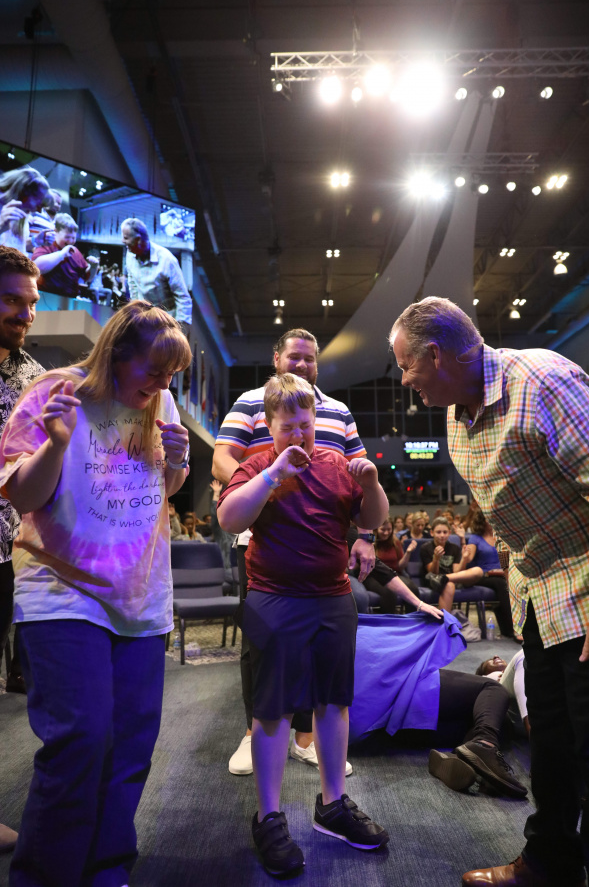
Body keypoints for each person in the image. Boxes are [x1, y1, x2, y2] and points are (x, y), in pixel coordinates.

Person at [391, 295, 589, 887]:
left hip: (585, 590)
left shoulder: (543, 382)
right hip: (537, 597)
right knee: (549, 740)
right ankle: (549, 865)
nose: (404, 381)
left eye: (406, 365)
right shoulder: (455, 418)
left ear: (436, 354)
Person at [0, 299, 191, 887]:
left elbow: (162, 488)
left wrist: (178, 463)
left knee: (131, 745)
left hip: (141, 595)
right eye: (153, 371)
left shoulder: (159, 401)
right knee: (80, 737)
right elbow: (22, 497)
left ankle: (107, 869)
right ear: (116, 353)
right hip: (61, 590)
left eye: (171, 375)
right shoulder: (55, 391)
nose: (162, 385)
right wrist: (56, 445)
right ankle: (45, 877)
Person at [217, 373, 390, 875]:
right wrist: (274, 472)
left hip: (332, 599)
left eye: (305, 426)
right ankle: (269, 816)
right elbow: (230, 519)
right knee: (272, 710)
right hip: (274, 599)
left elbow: (372, 519)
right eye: (287, 427)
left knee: (333, 703)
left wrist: (371, 484)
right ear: (269, 426)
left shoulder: (335, 464)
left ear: (316, 421)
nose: (298, 435)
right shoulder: (256, 465)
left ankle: (332, 806)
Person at [212, 327, 374, 777]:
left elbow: (361, 474)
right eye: (294, 356)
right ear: (276, 358)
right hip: (264, 531)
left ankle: (306, 738)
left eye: (309, 357)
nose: (302, 364)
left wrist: (365, 535)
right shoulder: (251, 401)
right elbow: (222, 458)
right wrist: (264, 487)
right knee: (262, 645)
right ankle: (255, 734)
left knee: (322, 646)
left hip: (323, 539)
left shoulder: (337, 410)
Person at [349, 615, 527, 800]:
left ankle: (463, 760)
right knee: (493, 689)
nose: (496, 656)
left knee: (502, 724)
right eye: (488, 661)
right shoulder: (487, 684)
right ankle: (484, 745)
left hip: (397, 727)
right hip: (407, 699)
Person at [0, 246, 44, 854]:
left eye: (30, 303)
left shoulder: (34, 375)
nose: (25, 314)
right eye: (12, 300)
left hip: (4, 553)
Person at [431, 508, 514, 637]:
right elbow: (468, 558)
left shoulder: (501, 537)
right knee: (501, 584)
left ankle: (510, 629)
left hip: (500, 574)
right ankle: (512, 629)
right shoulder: (476, 538)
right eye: (489, 518)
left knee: (509, 583)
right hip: (482, 575)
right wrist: (462, 541)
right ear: (483, 520)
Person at [121, 218, 192, 332]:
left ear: (138, 239)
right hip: (145, 321)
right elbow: (133, 283)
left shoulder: (167, 260)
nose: (122, 241)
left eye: (125, 237)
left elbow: (183, 297)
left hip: (167, 323)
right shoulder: (130, 255)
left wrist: (179, 331)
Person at [32, 213, 99, 299]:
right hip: (46, 297)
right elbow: (36, 268)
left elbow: (87, 278)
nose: (70, 241)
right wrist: (61, 254)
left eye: (73, 238)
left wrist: (93, 267)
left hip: (68, 300)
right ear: (56, 232)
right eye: (67, 237)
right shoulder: (47, 245)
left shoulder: (75, 251)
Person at [0, 167, 50, 253]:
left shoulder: (21, 214)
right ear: (21, 191)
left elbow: (15, 249)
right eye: (38, 204)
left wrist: (35, 241)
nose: (38, 211)